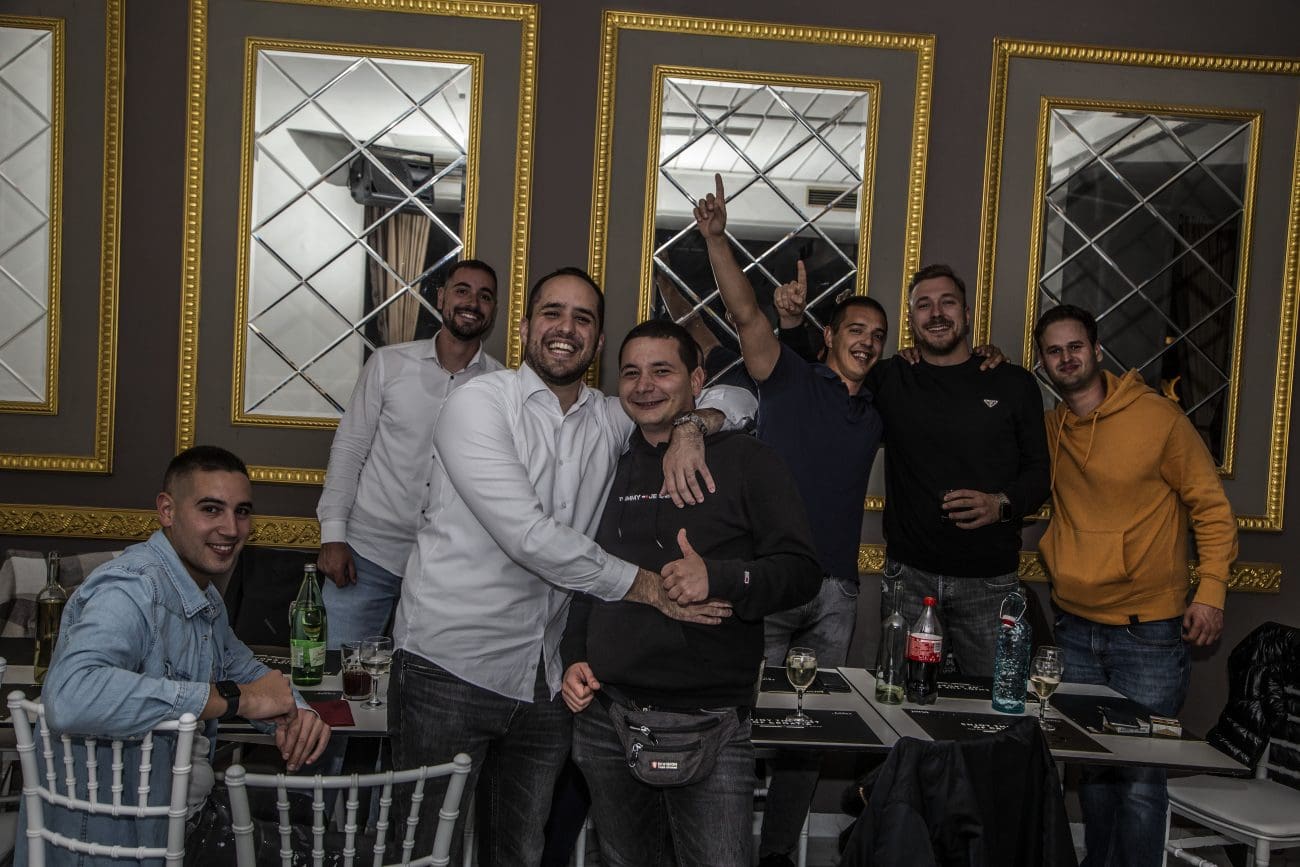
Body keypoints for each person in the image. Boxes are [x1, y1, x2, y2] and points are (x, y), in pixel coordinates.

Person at [390, 266, 756, 865]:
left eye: (582, 318)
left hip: (546, 678)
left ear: (598, 341)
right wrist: (650, 588)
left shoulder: (611, 417)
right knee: (426, 851)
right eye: (552, 313)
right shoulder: (478, 402)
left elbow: (740, 398)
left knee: (520, 852)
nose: (566, 328)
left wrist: (692, 425)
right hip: (448, 667)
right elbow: (529, 537)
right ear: (525, 327)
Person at [560, 320, 822, 866]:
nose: (644, 385)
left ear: (697, 380)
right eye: (631, 373)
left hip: (712, 723)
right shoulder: (608, 461)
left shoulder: (749, 462)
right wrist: (574, 655)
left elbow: (801, 572)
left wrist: (720, 577)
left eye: (662, 371)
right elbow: (588, 571)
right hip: (608, 719)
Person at [693, 173, 887, 867]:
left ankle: (776, 856)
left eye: (877, 336)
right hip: (770, 582)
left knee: (810, 735)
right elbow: (747, 316)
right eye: (855, 329)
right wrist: (717, 241)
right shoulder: (788, 377)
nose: (867, 342)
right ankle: (724, 850)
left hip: (836, 595)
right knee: (740, 725)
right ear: (830, 335)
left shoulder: (879, 406)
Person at [31, 445, 332, 866]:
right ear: (167, 511)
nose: (231, 528)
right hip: (125, 843)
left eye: (242, 512)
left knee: (322, 824)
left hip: (183, 818)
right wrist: (232, 699)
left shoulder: (200, 594)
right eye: (211, 509)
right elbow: (70, 696)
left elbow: (247, 670)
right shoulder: (132, 589)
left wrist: (297, 713)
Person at [1035, 304, 1237, 867]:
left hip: (1147, 634)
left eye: (1076, 346)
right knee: (1094, 775)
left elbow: (1212, 510)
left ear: (1097, 351)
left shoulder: (1159, 420)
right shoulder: (1051, 429)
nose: (1067, 358)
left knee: (1141, 781)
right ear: (1043, 364)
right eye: (1054, 351)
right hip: (1075, 629)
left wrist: (1211, 593)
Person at [865, 264, 1051, 677]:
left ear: (966, 314)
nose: (936, 313)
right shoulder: (891, 378)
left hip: (990, 582)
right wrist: (792, 323)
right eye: (924, 305)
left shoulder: (1012, 383)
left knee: (991, 703)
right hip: (909, 579)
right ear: (911, 320)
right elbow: (824, 380)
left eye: (947, 303)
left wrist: (1000, 504)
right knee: (900, 695)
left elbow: (1040, 473)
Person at [316, 259, 501, 647]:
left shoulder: (502, 387)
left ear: (494, 310)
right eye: (462, 290)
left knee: (423, 680)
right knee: (338, 673)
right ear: (442, 297)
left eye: (485, 296)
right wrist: (332, 536)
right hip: (365, 558)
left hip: (446, 571)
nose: (472, 302)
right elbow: (349, 450)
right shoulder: (388, 364)